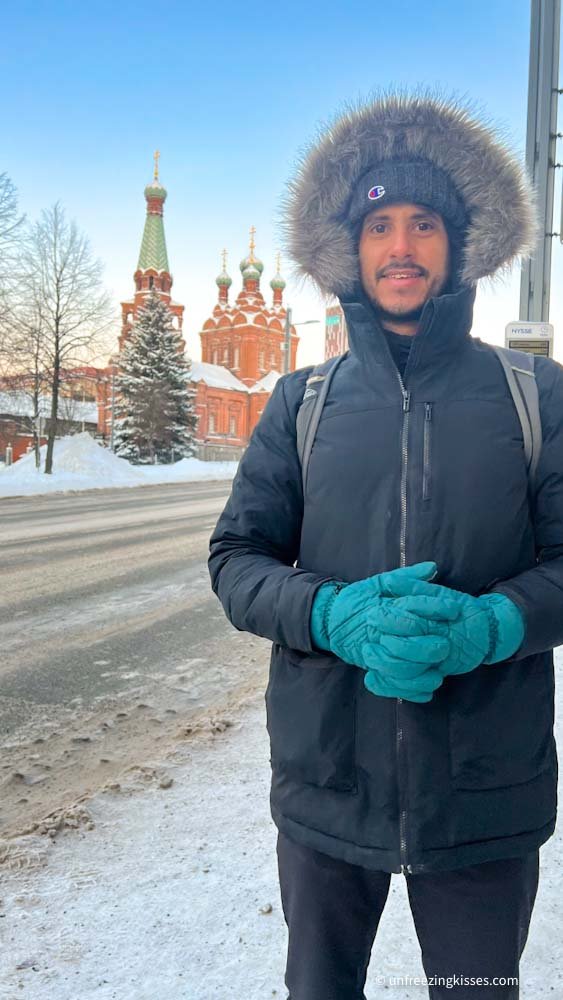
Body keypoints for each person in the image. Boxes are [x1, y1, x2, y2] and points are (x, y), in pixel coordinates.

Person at [208, 93, 563, 1000]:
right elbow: (238, 560)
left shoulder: (535, 396)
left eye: (423, 224)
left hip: (482, 788)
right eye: (378, 225)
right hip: (329, 781)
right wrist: (329, 613)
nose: (399, 246)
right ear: (350, 250)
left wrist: (489, 626)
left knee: (477, 992)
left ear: (460, 244)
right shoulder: (300, 403)